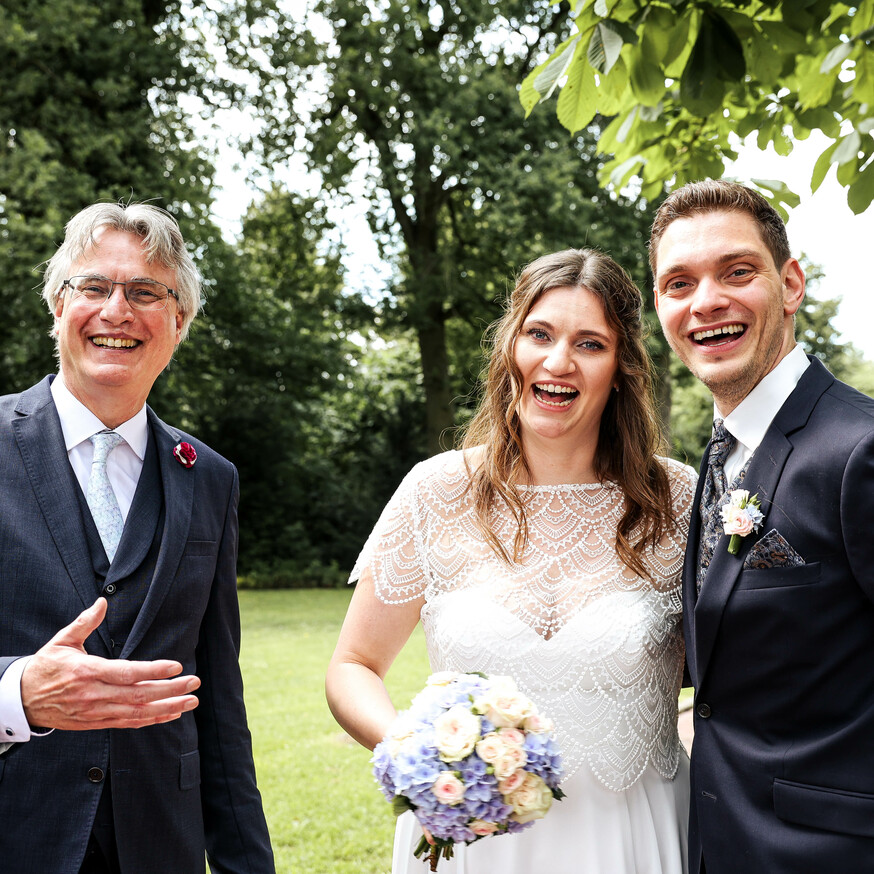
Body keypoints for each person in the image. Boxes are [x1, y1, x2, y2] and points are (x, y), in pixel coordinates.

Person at [327, 248, 697, 873]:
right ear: (510, 347)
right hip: (472, 843)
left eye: (589, 343)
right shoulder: (434, 491)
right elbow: (354, 665)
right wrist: (414, 754)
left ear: (622, 366)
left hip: (635, 835)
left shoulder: (678, 499)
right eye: (539, 334)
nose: (558, 362)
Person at [0, 203, 274, 874]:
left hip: (160, 848)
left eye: (145, 292)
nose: (116, 311)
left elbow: (218, 711)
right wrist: (17, 697)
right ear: (57, 307)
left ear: (178, 322)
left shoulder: (211, 479)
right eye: (94, 287)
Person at [651, 179, 874, 874]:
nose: (706, 301)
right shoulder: (722, 458)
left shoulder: (858, 449)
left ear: (791, 284)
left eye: (737, 272)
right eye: (678, 283)